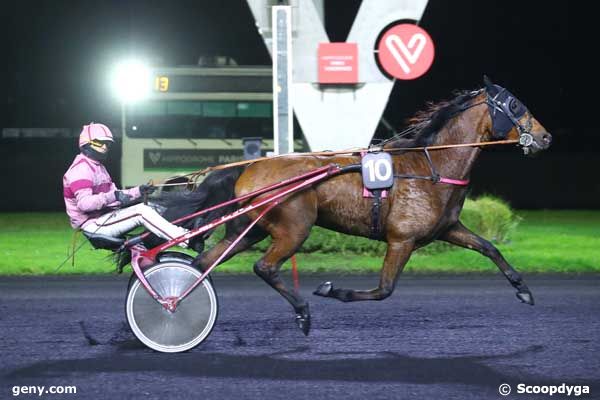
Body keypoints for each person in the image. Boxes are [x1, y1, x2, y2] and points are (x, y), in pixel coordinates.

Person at [63, 123, 188, 247]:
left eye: (108, 144)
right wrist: (114, 196)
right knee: (141, 211)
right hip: (94, 225)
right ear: (87, 144)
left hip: (106, 218)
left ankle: (185, 228)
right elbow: (85, 204)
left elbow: (118, 196)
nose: (105, 147)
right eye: (101, 143)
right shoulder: (81, 169)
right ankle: (184, 239)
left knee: (153, 206)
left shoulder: (98, 167)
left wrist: (139, 191)